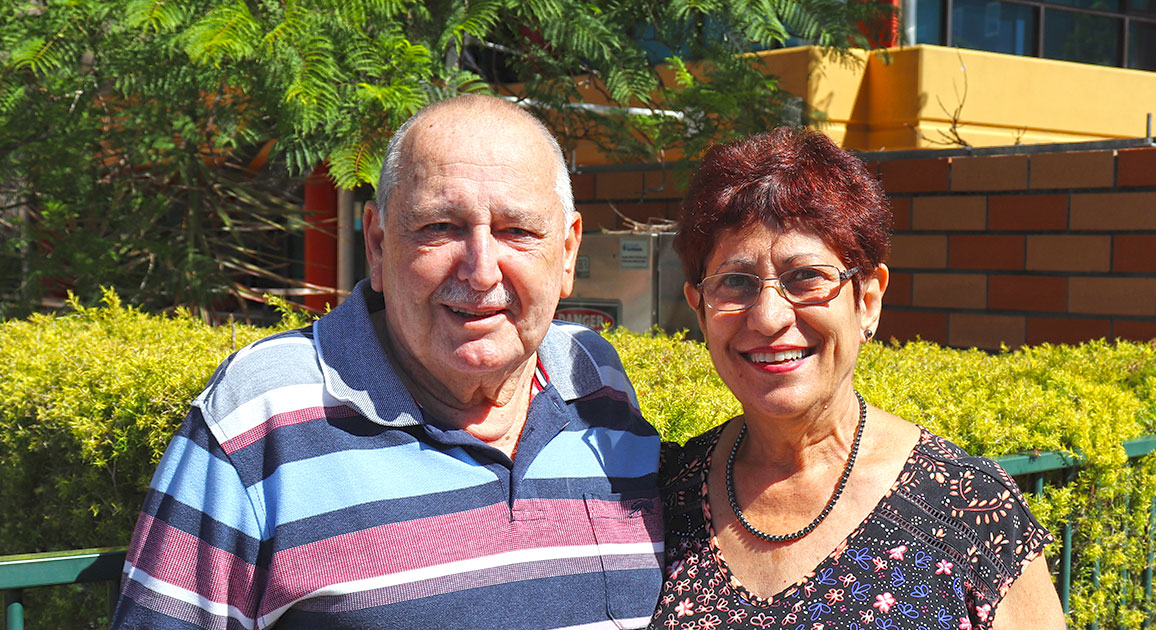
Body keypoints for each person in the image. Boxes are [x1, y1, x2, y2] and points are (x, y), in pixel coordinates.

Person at [111, 95, 664, 630]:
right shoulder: (261, 412)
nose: (480, 270)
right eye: (439, 228)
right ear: (377, 244)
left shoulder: (594, 379)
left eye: (516, 231)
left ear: (567, 253)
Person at [648, 128, 1065, 630]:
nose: (769, 317)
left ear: (868, 300)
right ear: (700, 308)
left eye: (805, 276)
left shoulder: (971, 507)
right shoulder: (664, 497)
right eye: (736, 281)